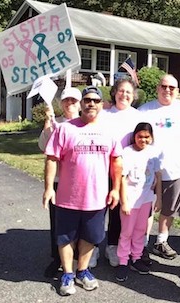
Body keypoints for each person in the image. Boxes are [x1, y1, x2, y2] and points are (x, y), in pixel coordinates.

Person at [42, 86, 123, 296]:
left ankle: (82, 270)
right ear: (81, 104)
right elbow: (51, 158)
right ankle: (67, 274)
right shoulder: (65, 129)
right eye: (87, 100)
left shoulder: (109, 131)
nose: (91, 104)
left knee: (90, 237)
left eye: (96, 100)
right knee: (65, 238)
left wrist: (115, 190)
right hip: (68, 198)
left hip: (97, 199)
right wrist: (49, 187)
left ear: (102, 105)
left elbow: (116, 162)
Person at [138, 74, 180, 259]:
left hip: (177, 169)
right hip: (147, 170)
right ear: (158, 88)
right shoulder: (144, 111)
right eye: (164, 86)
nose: (167, 90)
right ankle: (141, 244)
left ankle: (161, 241)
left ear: (178, 91)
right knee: (145, 207)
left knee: (169, 208)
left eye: (172, 87)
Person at [38, 87, 82, 277]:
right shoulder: (57, 123)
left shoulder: (86, 124)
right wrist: (48, 122)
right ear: (61, 103)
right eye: (66, 100)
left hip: (81, 182)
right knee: (58, 222)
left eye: (73, 101)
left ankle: (80, 258)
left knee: (81, 222)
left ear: (79, 103)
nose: (69, 104)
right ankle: (57, 258)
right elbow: (43, 147)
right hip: (59, 181)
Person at [116, 122, 162, 282]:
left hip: (146, 198)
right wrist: (124, 202)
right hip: (131, 199)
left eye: (146, 137)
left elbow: (158, 176)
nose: (143, 140)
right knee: (127, 232)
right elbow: (122, 179)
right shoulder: (127, 152)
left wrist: (159, 199)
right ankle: (123, 261)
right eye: (140, 136)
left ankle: (136, 258)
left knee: (140, 230)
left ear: (151, 138)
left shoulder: (154, 153)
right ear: (134, 136)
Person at [104, 78, 142, 267]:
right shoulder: (104, 114)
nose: (124, 95)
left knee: (118, 211)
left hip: (124, 173)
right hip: (102, 169)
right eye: (121, 91)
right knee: (97, 209)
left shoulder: (138, 116)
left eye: (128, 92)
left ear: (133, 96)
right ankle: (92, 246)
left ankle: (112, 245)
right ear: (114, 92)